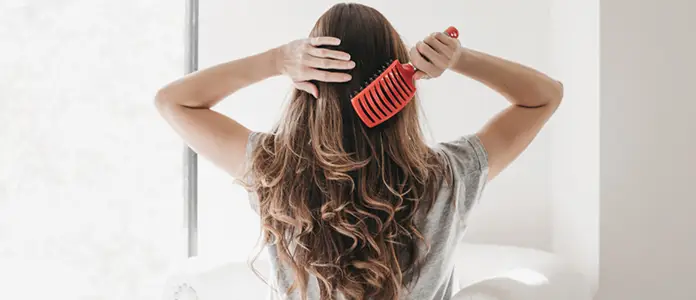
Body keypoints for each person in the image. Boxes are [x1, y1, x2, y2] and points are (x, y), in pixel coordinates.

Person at [155, 3, 562, 300]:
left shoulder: (272, 170)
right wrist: (458, 59)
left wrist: (277, 59)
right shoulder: (447, 176)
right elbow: (544, 96)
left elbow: (173, 101)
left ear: (307, 89)